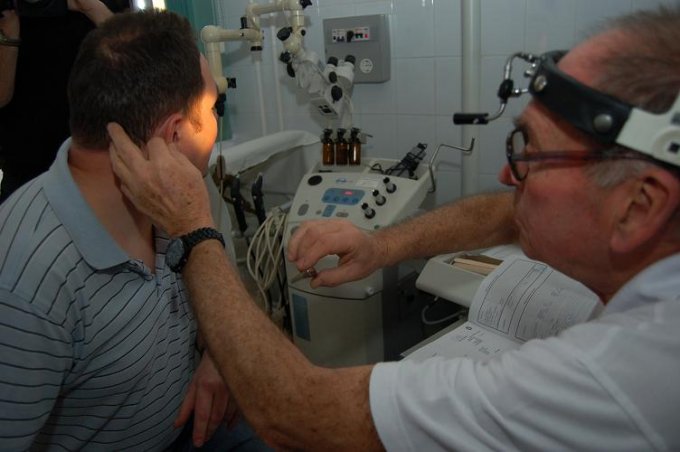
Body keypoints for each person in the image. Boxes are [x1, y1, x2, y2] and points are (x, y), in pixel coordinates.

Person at [107, 6, 680, 451]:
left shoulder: (623, 377)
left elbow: (297, 412)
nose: (508, 174)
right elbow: (509, 210)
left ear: (639, 206)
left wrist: (194, 229)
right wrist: (379, 246)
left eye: (530, 153)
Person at [0, 10, 269, 451]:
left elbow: (216, 288)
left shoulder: (175, 197)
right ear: (175, 134)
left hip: (190, 424)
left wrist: (217, 352)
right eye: (211, 109)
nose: (216, 120)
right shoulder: (25, 281)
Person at [0, 0, 121, 202]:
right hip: (27, 166)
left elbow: (140, 69)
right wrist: (9, 29)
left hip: (100, 160)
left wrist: (93, 9)